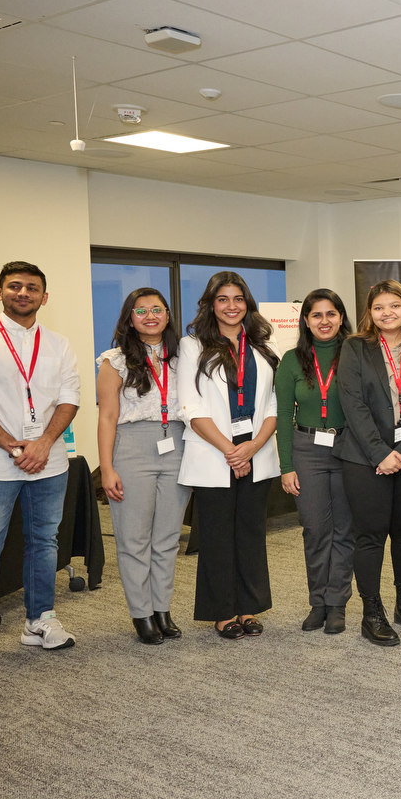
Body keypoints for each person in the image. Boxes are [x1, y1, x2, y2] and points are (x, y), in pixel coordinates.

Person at [0, 262, 80, 673]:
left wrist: (42, 444)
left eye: (32, 288)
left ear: (45, 297)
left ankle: (39, 620)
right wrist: (13, 445)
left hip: (50, 461)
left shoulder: (59, 345)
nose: (23, 293)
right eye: (14, 286)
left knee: (44, 542)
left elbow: (69, 399)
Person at [178, 271, 280, 639]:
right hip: (214, 452)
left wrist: (253, 447)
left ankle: (249, 607)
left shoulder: (263, 347)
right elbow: (188, 405)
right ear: (211, 304)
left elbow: (272, 404)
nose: (231, 306)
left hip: (257, 450)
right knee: (218, 535)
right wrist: (230, 450)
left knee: (251, 533)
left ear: (247, 304)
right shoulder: (192, 346)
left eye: (238, 299)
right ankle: (222, 611)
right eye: (223, 299)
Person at [334, 280, 401, 647]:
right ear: (369, 313)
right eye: (379, 307)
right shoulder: (356, 347)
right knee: (370, 535)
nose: (387, 313)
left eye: (395, 305)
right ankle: (371, 612)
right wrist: (380, 453)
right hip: (364, 457)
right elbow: (353, 405)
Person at [96, 288, 190, 645]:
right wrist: (107, 469)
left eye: (157, 309)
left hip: (178, 445)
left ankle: (162, 609)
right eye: (141, 310)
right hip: (132, 448)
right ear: (129, 317)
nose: (150, 316)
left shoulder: (183, 357)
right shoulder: (114, 360)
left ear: (167, 315)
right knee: (134, 538)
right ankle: (141, 613)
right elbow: (106, 416)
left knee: (167, 538)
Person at [277, 289, 354, 636]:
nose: (325, 321)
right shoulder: (291, 360)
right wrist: (285, 466)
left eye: (331, 314)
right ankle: (318, 601)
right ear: (305, 321)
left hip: (348, 449)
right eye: (316, 315)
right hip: (306, 450)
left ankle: (337, 603)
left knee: (345, 530)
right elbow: (281, 417)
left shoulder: (355, 355)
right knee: (315, 529)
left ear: (341, 317)